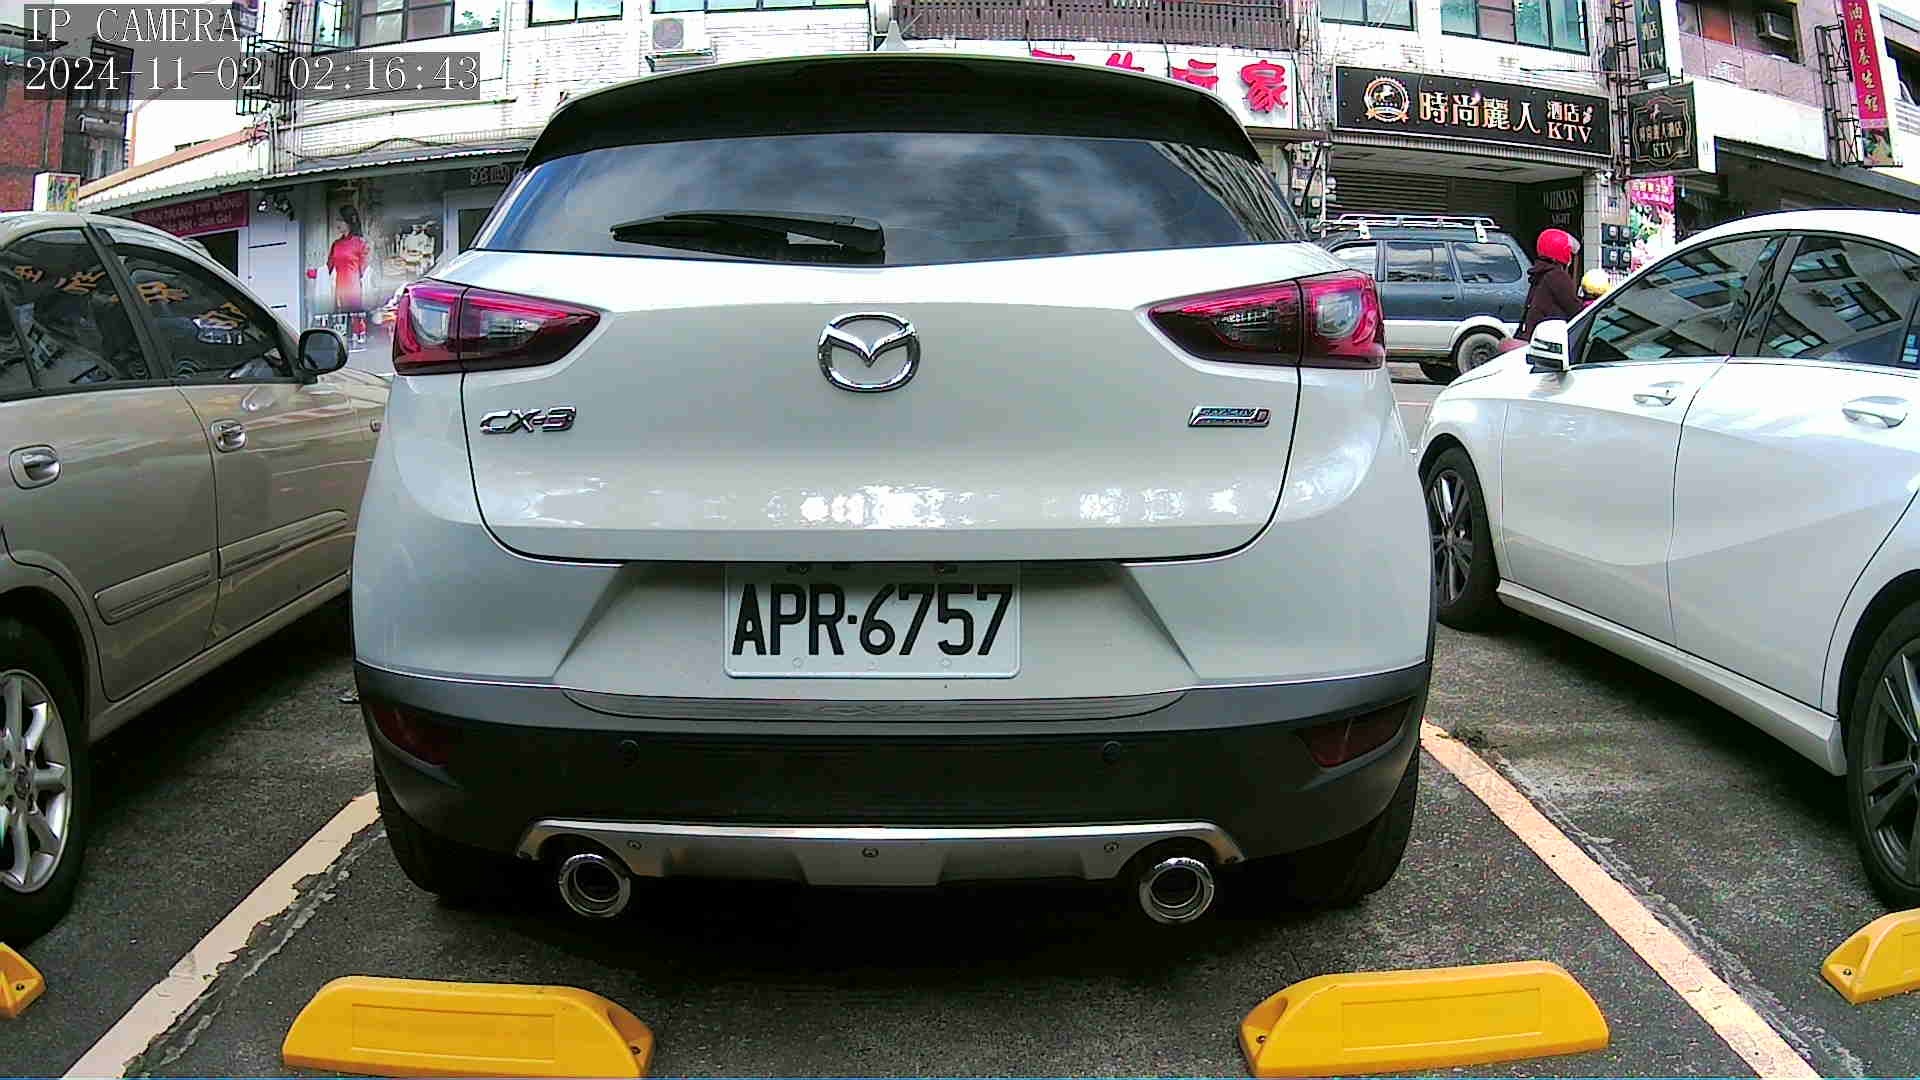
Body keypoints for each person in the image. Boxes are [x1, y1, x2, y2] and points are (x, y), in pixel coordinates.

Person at [327, 205, 369, 314]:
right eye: (337, 220)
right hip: (339, 291)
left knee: (356, 319)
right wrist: (315, 273)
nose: (338, 223)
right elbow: (328, 268)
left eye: (341, 220)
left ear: (349, 221)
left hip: (355, 291)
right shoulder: (336, 244)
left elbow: (365, 271)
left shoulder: (360, 243)